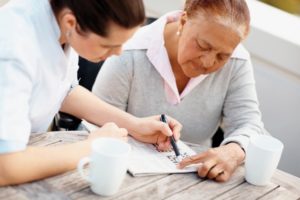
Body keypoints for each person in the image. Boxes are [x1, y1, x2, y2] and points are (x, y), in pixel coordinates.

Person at [0, 0, 182, 186]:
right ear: (70, 23)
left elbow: (64, 91)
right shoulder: (13, 47)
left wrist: (134, 125)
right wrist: (91, 147)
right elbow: (5, 166)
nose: (118, 53)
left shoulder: (66, 21)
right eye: (108, 45)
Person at [92, 0, 267, 182]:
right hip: (123, 175)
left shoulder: (237, 62)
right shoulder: (129, 52)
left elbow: (249, 123)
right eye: (203, 46)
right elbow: (95, 123)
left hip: (198, 180)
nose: (208, 62)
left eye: (222, 56)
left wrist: (234, 150)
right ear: (183, 22)